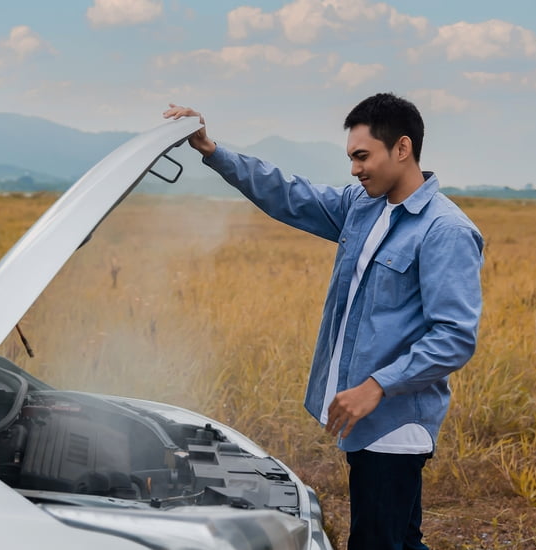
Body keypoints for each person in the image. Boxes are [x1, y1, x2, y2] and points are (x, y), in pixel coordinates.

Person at [164, 93, 483, 550]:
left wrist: (375, 386)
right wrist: (212, 151)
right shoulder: (363, 206)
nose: (355, 169)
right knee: (400, 541)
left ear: (402, 148)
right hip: (365, 421)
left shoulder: (445, 231)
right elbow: (289, 194)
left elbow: (454, 338)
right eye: (351, 158)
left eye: (362, 156)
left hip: (393, 425)